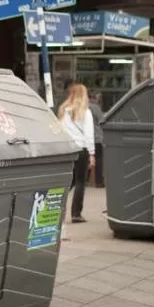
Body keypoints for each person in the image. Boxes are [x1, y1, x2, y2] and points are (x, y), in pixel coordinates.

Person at [57, 83, 95, 223]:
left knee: (69, 181)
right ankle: (76, 214)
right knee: (80, 182)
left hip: (68, 149)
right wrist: (91, 153)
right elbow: (89, 135)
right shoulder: (85, 112)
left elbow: (60, 130)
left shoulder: (63, 111)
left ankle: (55, 208)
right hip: (81, 149)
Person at [89, 92, 105, 188]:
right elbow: (102, 120)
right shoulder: (95, 107)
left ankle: (85, 180)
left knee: (87, 160)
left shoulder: (84, 107)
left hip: (87, 139)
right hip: (97, 138)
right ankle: (99, 182)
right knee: (98, 160)